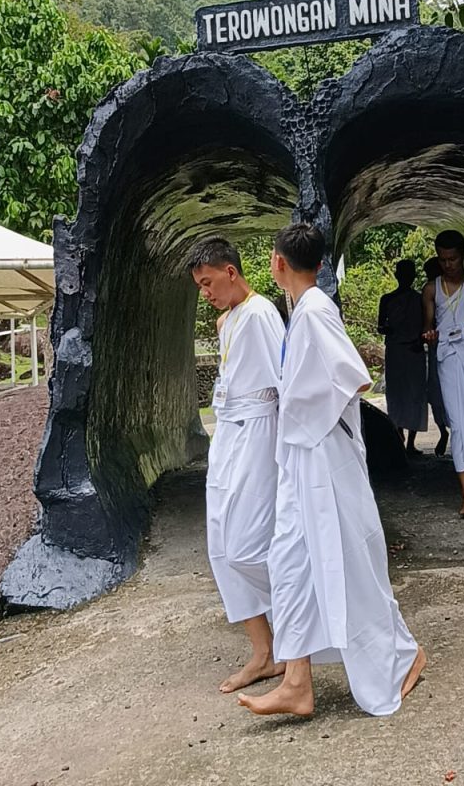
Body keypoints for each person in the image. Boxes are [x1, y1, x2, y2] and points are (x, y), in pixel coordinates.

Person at [238, 223, 426, 717]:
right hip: (303, 457)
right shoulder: (303, 309)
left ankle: (402, 654)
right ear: (320, 264)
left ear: (277, 263)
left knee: (347, 563)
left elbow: (353, 377)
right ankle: (297, 682)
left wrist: (309, 413)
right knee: (290, 564)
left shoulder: (316, 310)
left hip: (323, 457)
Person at [188, 236, 285, 689]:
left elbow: (285, 381)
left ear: (230, 272)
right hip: (227, 431)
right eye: (199, 287)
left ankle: (302, 627)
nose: (205, 293)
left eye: (208, 282)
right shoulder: (228, 320)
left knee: (250, 543)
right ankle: (263, 652)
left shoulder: (262, 314)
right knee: (222, 544)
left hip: (259, 431)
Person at [423, 232, 464, 517]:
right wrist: (429, 334)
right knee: (459, 422)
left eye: (453, 259)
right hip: (448, 357)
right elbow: (427, 325)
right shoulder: (431, 289)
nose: (448, 265)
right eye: (443, 260)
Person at [378, 259, 428, 456]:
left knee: (415, 394)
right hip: (396, 352)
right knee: (397, 394)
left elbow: (428, 324)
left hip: (414, 351)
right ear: (397, 276)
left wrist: (419, 340)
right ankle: (399, 436)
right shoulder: (387, 299)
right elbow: (380, 326)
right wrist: (389, 329)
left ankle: (411, 443)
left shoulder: (420, 300)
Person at [423, 257, 450, 457]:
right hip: (436, 349)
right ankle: (443, 430)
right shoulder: (430, 291)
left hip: (459, 347)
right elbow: (427, 324)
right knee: (435, 393)